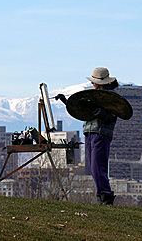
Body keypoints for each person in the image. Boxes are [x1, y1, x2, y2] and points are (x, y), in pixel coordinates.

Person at [55, 67, 118, 205]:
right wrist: (66, 102)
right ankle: (102, 194)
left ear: (99, 83)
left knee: (97, 166)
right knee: (95, 166)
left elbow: (111, 116)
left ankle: (105, 196)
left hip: (100, 134)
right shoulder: (96, 95)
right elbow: (82, 112)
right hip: (91, 133)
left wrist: (96, 110)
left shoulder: (110, 97)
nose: (92, 84)